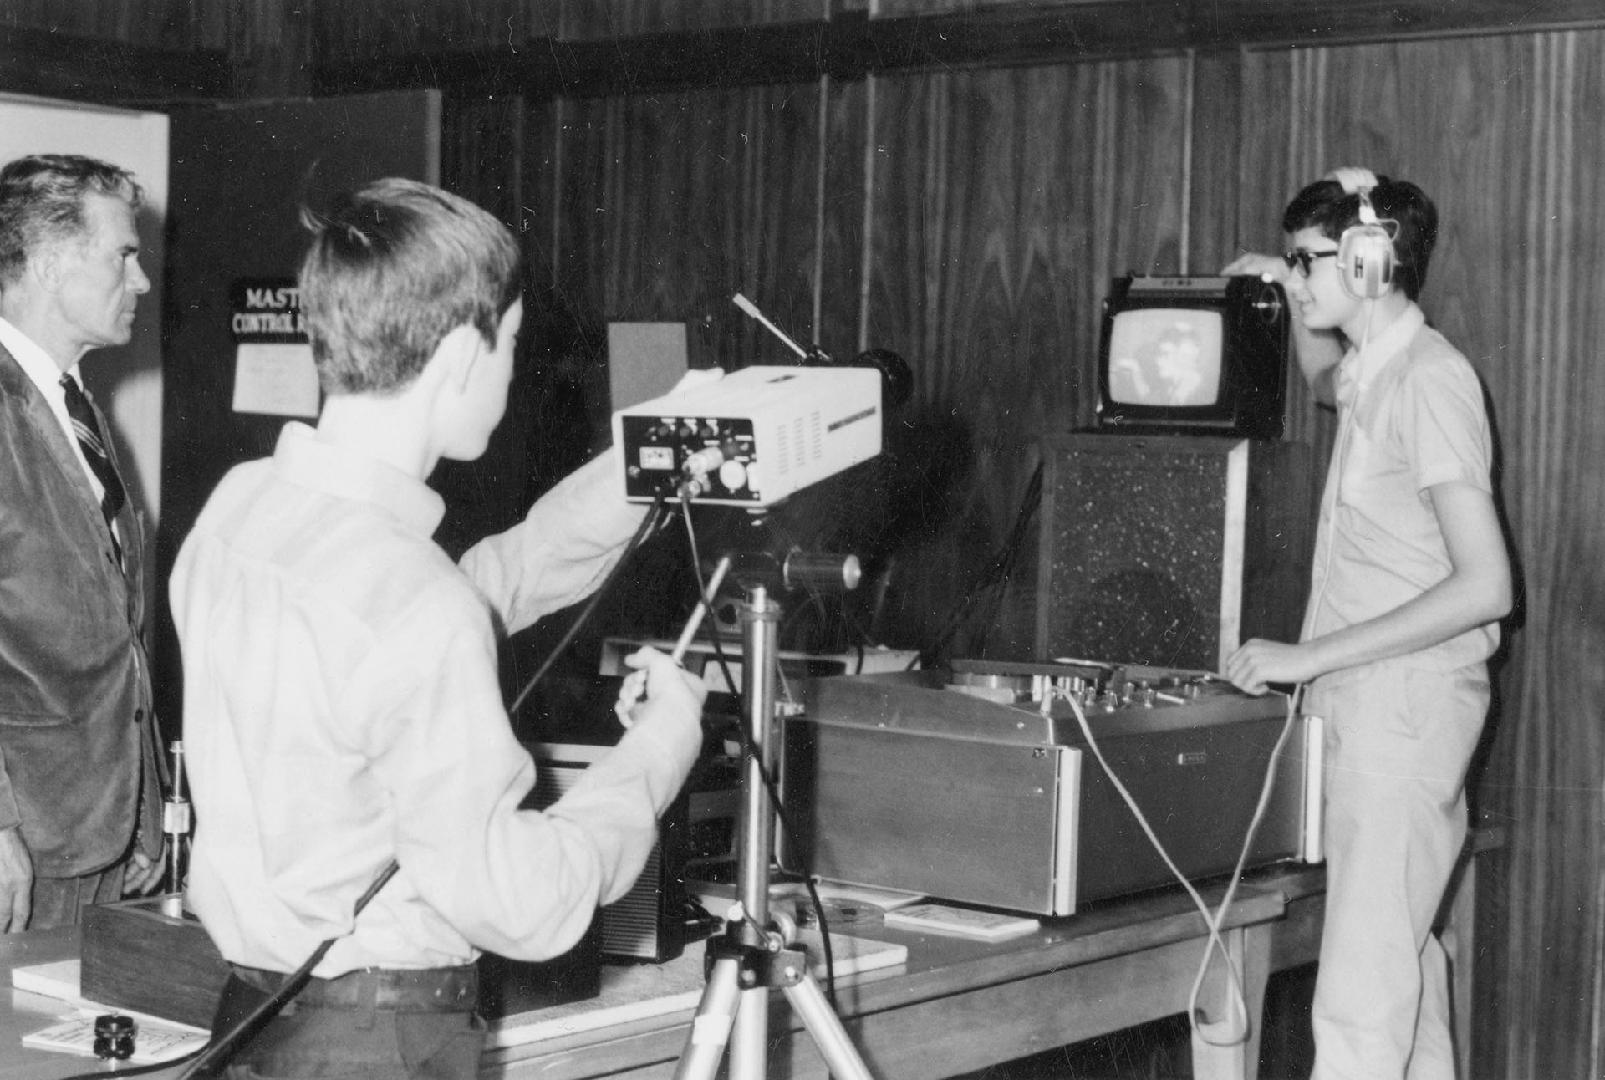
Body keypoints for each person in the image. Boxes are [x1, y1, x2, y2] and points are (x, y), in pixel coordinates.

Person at [169, 178, 711, 1078]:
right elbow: (521, 903)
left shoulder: (242, 509)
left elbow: (450, 599)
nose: (511, 374)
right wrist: (656, 753)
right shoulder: (413, 601)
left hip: (254, 1021)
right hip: (380, 1045)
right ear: (463, 351)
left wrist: (639, 474)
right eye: (513, 348)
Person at [1221, 168, 1512, 1080]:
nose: (1297, 283)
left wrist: (1304, 655)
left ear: (1371, 261)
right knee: (1400, 981)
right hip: (1366, 707)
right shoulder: (1370, 372)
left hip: (1403, 712)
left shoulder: (1431, 381)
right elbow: (1322, 369)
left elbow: (1485, 587)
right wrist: (1281, 269)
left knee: (1354, 1009)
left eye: (1311, 263)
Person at [0, 154, 166, 932]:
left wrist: (144, 804)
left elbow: (111, 623)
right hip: (22, 838)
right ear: (49, 261)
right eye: (123, 255)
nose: (140, 281)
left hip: (95, 825)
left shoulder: (70, 402)